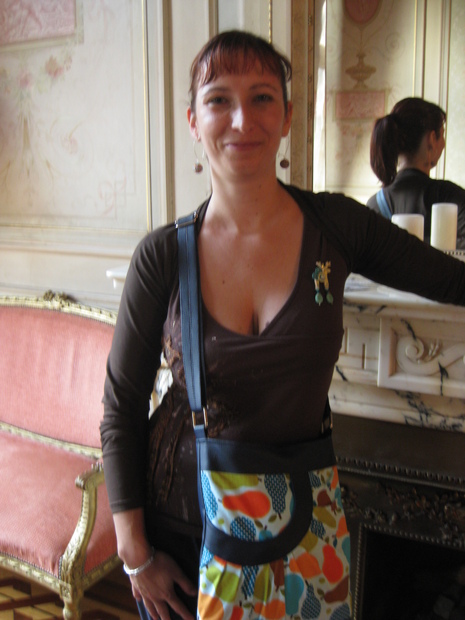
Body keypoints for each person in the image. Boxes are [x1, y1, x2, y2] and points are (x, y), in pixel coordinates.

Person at [100, 31, 465, 620]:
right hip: (182, 531)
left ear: (288, 115)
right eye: (219, 100)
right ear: (193, 121)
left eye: (262, 97)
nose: (242, 119)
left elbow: (450, 279)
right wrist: (135, 553)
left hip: (305, 518)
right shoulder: (161, 255)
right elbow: (120, 406)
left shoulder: (336, 225)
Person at [367, 97, 465, 248]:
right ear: (432, 139)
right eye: (442, 134)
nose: (444, 144)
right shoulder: (453, 198)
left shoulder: (375, 205)